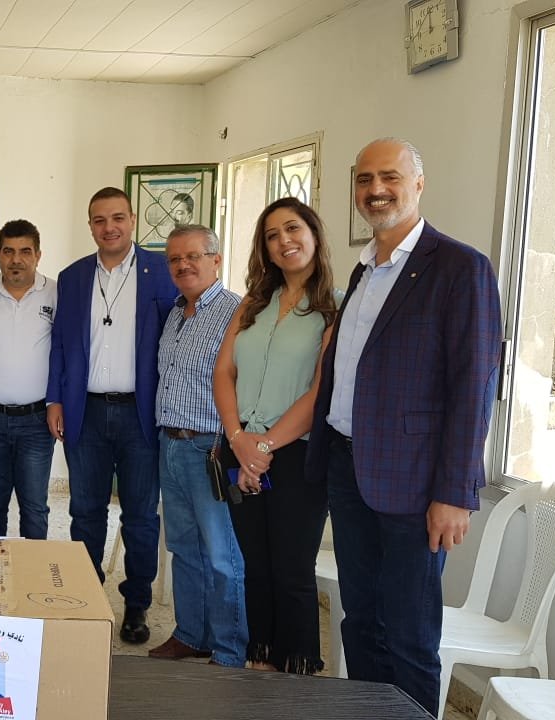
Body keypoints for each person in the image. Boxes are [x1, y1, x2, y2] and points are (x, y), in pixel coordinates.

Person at [307, 138, 502, 715]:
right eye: (364, 179)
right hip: (348, 469)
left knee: (409, 632)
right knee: (360, 619)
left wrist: (454, 493)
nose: (376, 190)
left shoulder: (459, 268)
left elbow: (473, 387)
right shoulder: (365, 269)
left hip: (414, 484)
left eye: (389, 177)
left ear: (418, 183)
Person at [46, 186, 180, 644]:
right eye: (100, 220)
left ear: (133, 220)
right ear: (90, 226)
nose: (110, 228)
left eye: (118, 218)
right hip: (85, 411)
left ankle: (136, 604)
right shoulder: (72, 277)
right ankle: (86, 598)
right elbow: (60, 344)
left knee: (141, 516)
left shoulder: (161, 271)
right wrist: (54, 400)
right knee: (85, 512)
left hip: (140, 414)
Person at [212, 198, 338, 674]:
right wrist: (238, 438)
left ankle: (298, 673)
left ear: (314, 234)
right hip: (240, 447)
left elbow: (320, 392)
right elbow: (224, 372)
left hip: (295, 456)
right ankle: (260, 663)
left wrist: (262, 448)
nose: (283, 240)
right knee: (255, 566)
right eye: (271, 235)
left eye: (292, 228)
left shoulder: (335, 307)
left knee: (291, 570)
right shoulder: (253, 303)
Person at [145, 225, 246, 665]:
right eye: (174, 259)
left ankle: (229, 649)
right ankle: (191, 634)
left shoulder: (236, 312)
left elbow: (243, 383)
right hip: (170, 444)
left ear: (216, 260)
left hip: (211, 448)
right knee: (184, 549)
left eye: (193, 256)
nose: (183, 265)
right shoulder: (175, 313)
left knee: (222, 554)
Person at [0, 219, 57, 539]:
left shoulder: (55, 293)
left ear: (38, 255)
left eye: (25, 251)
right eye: (8, 251)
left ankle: (32, 570)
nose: (16, 259)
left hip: (36, 421)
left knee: (34, 507)